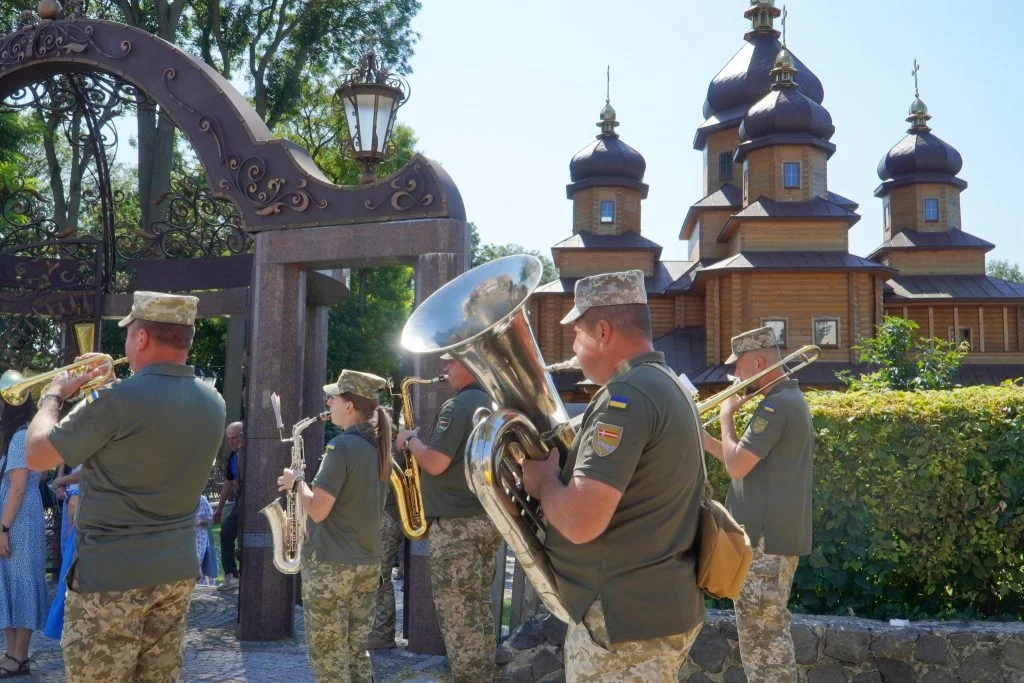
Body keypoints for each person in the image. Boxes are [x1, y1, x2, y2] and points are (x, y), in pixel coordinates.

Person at [24, 291, 226, 682]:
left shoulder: (115, 401)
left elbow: (36, 455)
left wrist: (52, 397)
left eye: (129, 332)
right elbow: (145, 435)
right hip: (175, 569)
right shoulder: (212, 401)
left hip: (110, 575)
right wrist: (111, 387)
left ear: (143, 338)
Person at [520, 269, 706, 682]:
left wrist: (544, 481)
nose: (573, 347)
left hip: (623, 623)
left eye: (576, 334)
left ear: (602, 332)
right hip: (650, 611)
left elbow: (583, 521)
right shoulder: (667, 385)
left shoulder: (626, 397)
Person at [702, 326, 814, 683]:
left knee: (763, 639)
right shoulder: (780, 400)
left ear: (760, 361)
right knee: (762, 635)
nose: (735, 376)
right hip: (768, 539)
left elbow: (735, 465)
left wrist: (724, 417)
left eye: (739, 368)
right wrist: (701, 438)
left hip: (766, 543)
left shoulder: (776, 404)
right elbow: (742, 461)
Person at [276, 369, 391, 683]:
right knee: (357, 656)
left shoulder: (340, 448)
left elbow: (319, 510)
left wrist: (296, 483)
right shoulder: (378, 450)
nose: (328, 402)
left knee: (329, 661)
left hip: (331, 567)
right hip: (366, 565)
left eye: (334, 397)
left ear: (350, 406)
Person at [395, 354, 501, 683]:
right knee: (478, 612)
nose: (444, 370)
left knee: (460, 620)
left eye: (450, 363)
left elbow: (437, 462)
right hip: (483, 520)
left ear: (470, 364)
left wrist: (410, 441)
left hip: (457, 527)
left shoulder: (458, 407)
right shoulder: (492, 403)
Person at [0, 398, 49, 678]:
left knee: (20, 582)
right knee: (10, 582)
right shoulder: (26, 434)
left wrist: (4, 528)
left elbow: (18, 487)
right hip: (19, 517)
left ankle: (19, 656)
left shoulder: (20, 437)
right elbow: (36, 480)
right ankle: (12, 653)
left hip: (18, 522)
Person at [366, 482, 403, 649]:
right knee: (376, 576)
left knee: (379, 576)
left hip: (386, 513)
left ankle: (383, 633)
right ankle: (378, 631)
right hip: (381, 511)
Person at [214, 421, 243, 591]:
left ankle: (240, 574)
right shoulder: (233, 456)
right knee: (226, 533)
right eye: (229, 439)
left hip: (252, 501)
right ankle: (231, 575)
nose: (232, 442)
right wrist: (219, 508)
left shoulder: (251, 453)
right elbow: (228, 483)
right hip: (240, 501)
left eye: (235, 437)